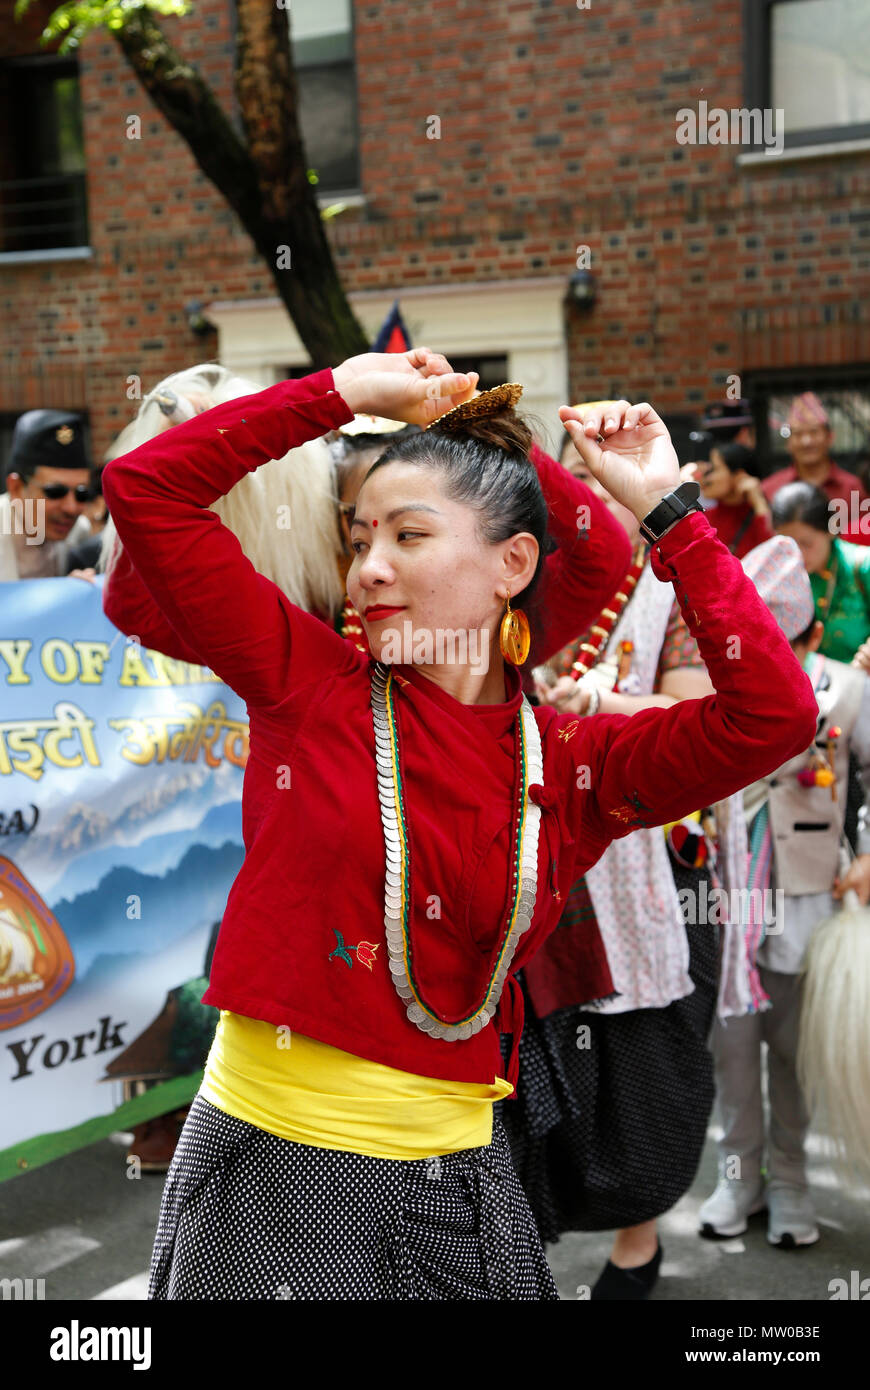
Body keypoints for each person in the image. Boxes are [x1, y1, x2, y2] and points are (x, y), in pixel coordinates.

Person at [99, 348, 816, 1301]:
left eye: (408, 535)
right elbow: (145, 489)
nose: (370, 569)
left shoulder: (572, 766)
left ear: (513, 566)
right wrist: (340, 395)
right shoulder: (305, 683)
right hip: (269, 1173)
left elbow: (774, 716)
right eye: (358, 541)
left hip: (468, 1182)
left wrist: (668, 510)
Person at [502, 428, 719, 1300]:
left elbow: (700, 713)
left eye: (605, 483)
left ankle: (640, 1241)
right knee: (530, 1072)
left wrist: (605, 703)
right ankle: (519, 1249)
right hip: (527, 855)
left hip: (639, 859)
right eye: (573, 483)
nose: (588, 503)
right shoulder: (510, 567)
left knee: (640, 1064)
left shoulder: (680, 581)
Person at [699, 535, 870, 1248]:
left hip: (809, 888)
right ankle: (740, 1177)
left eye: (787, 641)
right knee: (731, 1047)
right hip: (728, 887)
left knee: (795, 1049)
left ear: (816, 635)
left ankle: (794, 1183)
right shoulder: (717, 683)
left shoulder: (851, 688)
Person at [771, 481, 870, 666]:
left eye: (807, 543)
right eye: (788, 544)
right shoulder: (777, 577)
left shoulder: (862, 566)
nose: (797, 554)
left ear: (831, 529)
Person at [1, 409, 95, 580]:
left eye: (82, 493)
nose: (71, 508)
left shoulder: (78, 533)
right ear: (16, 488)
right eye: (55, 492)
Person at [762, 392, 867, 510]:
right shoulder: (770, 490)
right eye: (798, 434)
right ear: (789, 443)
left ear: (830, 437)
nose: (806, 442)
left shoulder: (855, 489)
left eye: (814, 432)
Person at [692, 442, 773, 558]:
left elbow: (775, 554)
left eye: (714, 469)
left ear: (739, 475)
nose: (707, 478)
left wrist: (758, 501)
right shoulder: (704, 519)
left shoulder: (762, 516)